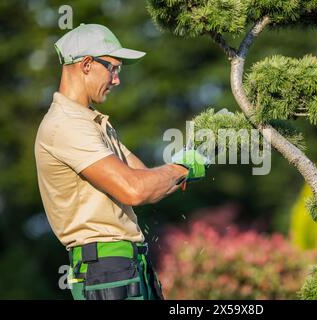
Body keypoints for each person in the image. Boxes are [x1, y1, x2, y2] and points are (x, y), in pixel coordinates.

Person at [34, 24, 208, 300]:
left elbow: (146, 179)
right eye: (112, 68)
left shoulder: (92, 122)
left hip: (125, 264)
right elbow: (135, 190)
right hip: (105, 268)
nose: (116, 80)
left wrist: (187, 166)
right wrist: (182, 168)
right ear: (87, 64)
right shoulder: (66, 125)